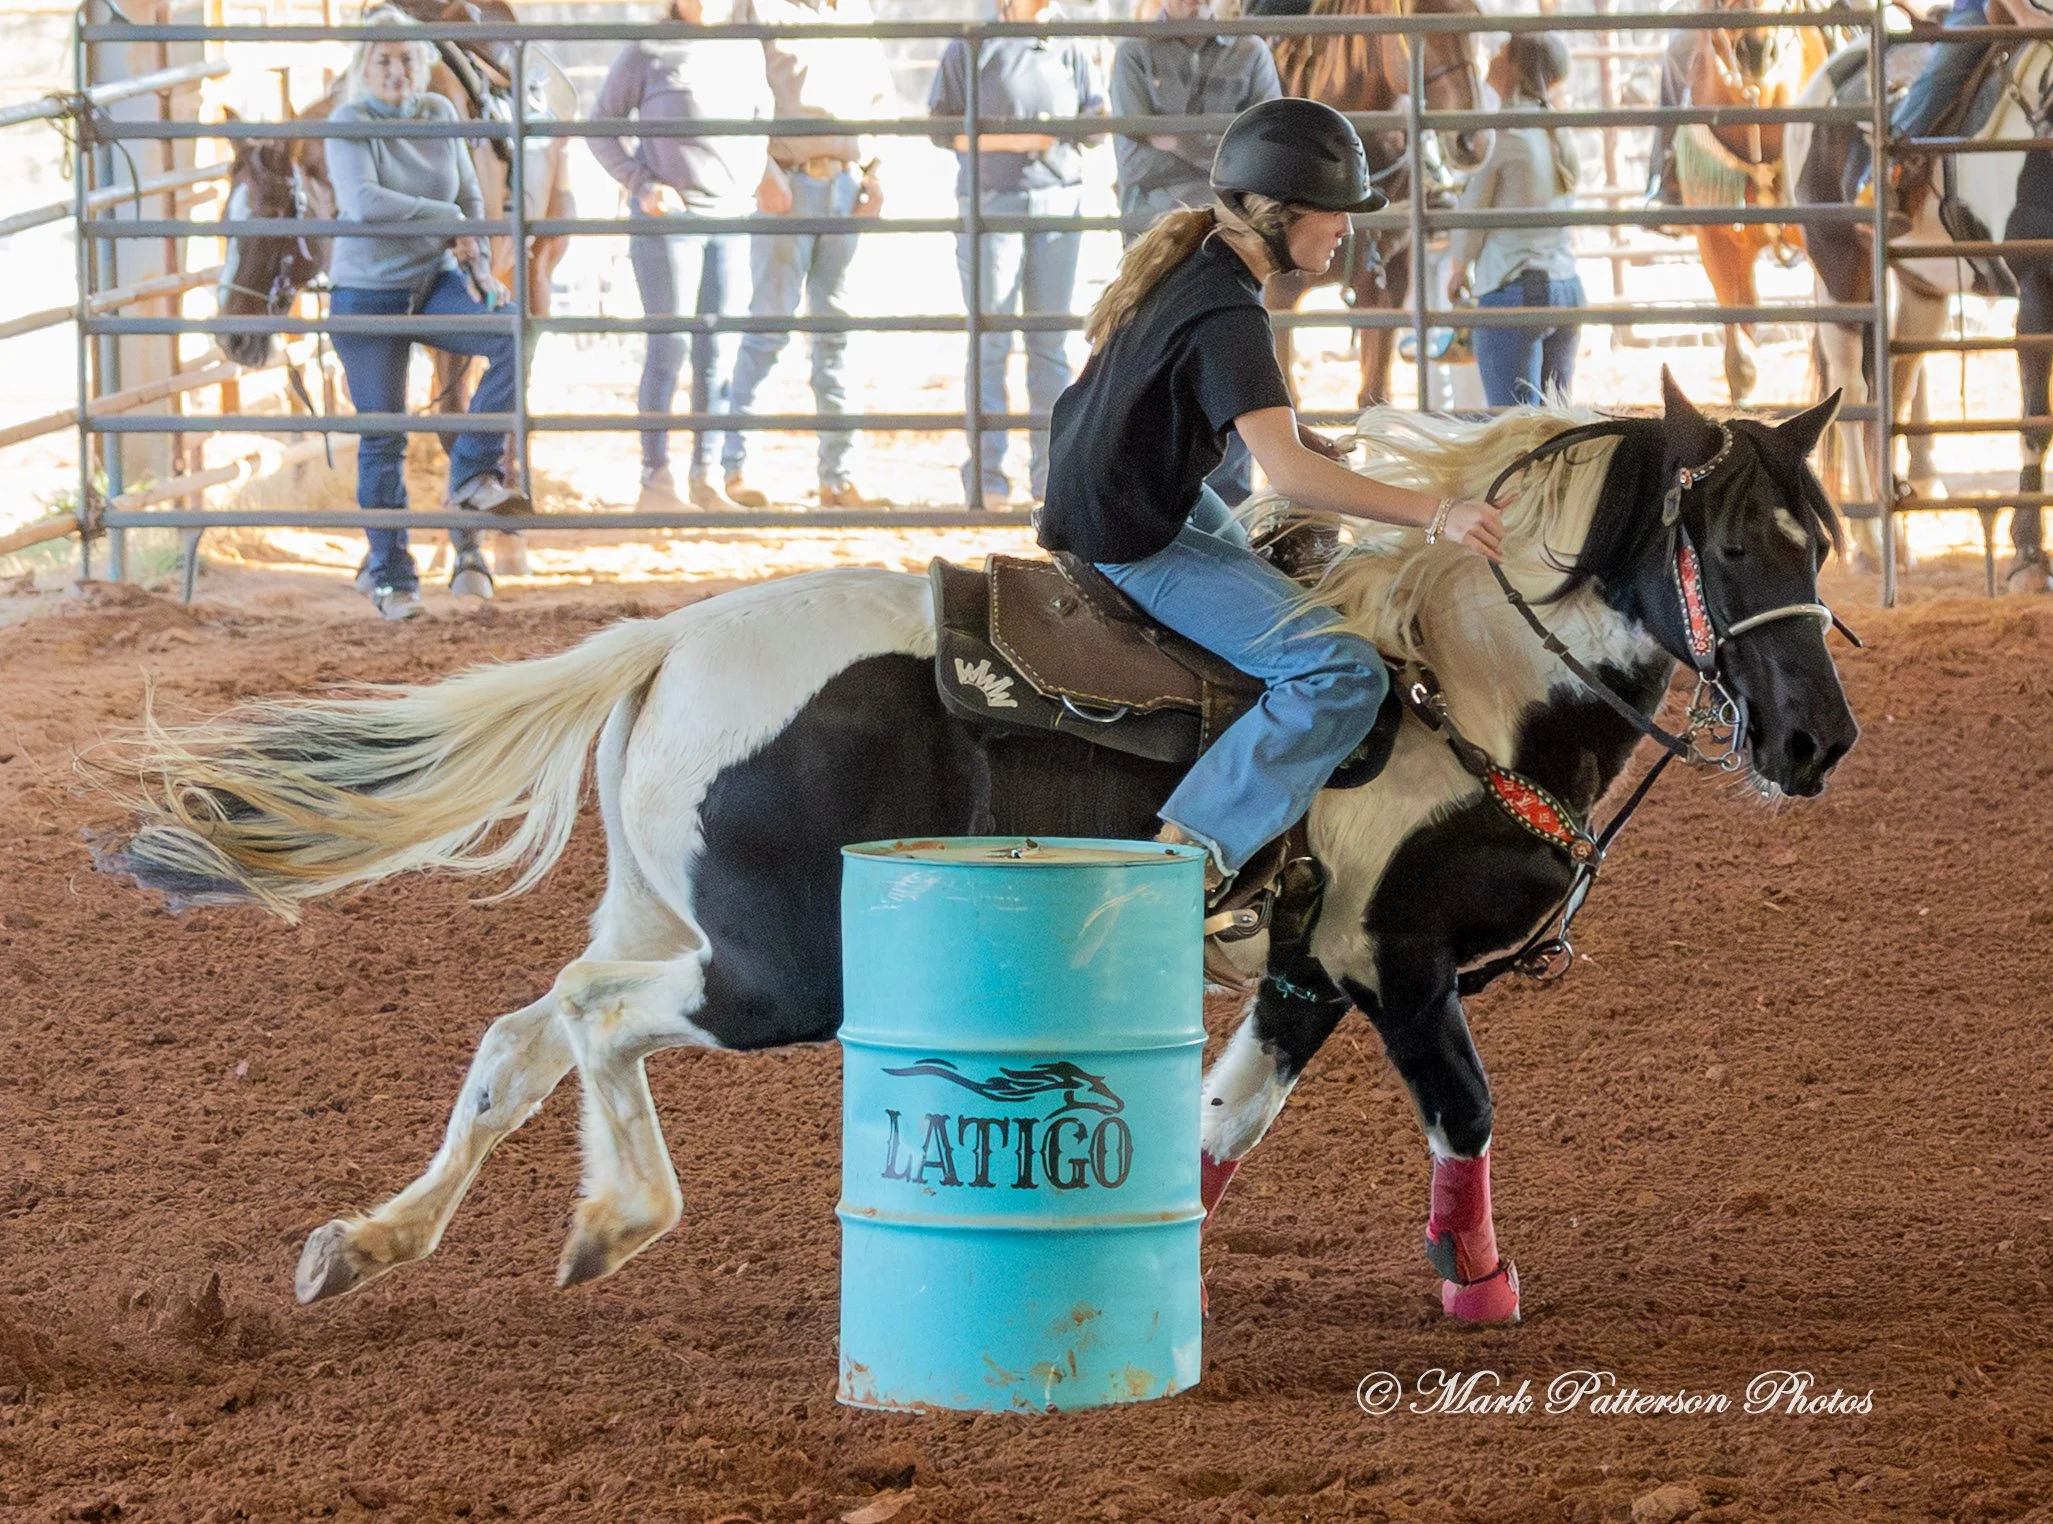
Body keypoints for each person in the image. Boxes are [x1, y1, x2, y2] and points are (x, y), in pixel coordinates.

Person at [1038, 98, 1506, 893]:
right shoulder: (1227, 312)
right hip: (1133, 535)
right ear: (1284, 216)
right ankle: (1189, 857)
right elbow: (1287, 478)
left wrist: (1295, 438)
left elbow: (1215, 417)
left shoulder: (1196, 268)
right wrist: (1440, 514)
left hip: (1129, 500)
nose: (1346, 230)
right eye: (1334, 213)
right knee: (1341, 673)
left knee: (1290, 578)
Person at [327, 7, 527, 621]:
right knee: (383, 434)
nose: (398, 71)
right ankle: (391, 576)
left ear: (425, 64)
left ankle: (471, 474)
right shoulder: (349, 123)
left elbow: (468, 192)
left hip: (432, 280)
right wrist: (447, 223)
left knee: (510, 330)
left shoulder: (440, 113)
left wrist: (481, 264)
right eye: (384, 61)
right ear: (364, 68)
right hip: (368, 293)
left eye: (408, 59)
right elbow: (364, 203)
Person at [589, 0, 772, 513]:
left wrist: (750, 183)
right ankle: (656, 476)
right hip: (669, 222)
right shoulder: (649, 49)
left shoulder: (744, 49)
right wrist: (642, 183)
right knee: (669, 348)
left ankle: (706, 474)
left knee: (719, 349)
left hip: (731, 219)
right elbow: (600, 123)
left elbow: (763, 119)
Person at [928, 0, 1106, 509]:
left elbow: (1094, 121)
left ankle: (1049, 477)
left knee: (1048, 342)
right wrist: (1031, 136)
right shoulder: (973, 40)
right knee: (992, 337)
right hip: (993, 201)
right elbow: (943, 127)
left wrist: (1052, 134)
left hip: (1059, 199)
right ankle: (986, 475)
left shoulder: (1069, 42)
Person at [720, 0, 894, 509]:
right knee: (769, 324)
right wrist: (761, 170)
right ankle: (734, 468)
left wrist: (877, 169)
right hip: (786, 183)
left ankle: (837, 477)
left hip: (844, 183)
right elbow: (734, 89)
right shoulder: (758, 7)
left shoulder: (856, 13)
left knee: (835, 328)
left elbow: (880, 98)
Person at [1109, 0, 1281, 505]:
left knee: (1234, 358)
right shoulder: (1134, 52)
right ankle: (1163, 493)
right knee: (1160, 358)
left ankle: (1227, 500)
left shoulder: (1251, 52)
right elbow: (1134, 160)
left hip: (1223, 235)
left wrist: (1170, 137)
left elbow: (1264, 154)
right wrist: (1222, 150)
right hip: (1161, 237)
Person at [1446, 33, 1585, 408]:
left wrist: (1458, 269)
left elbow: (1473, 214)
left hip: (1515, 289)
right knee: (1557, 428)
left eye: (1502, 52)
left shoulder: (1504, 134)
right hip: (1566, 287)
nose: (1493, 57)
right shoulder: (1556, 130)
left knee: (1515, 431)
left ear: (1516, 69)